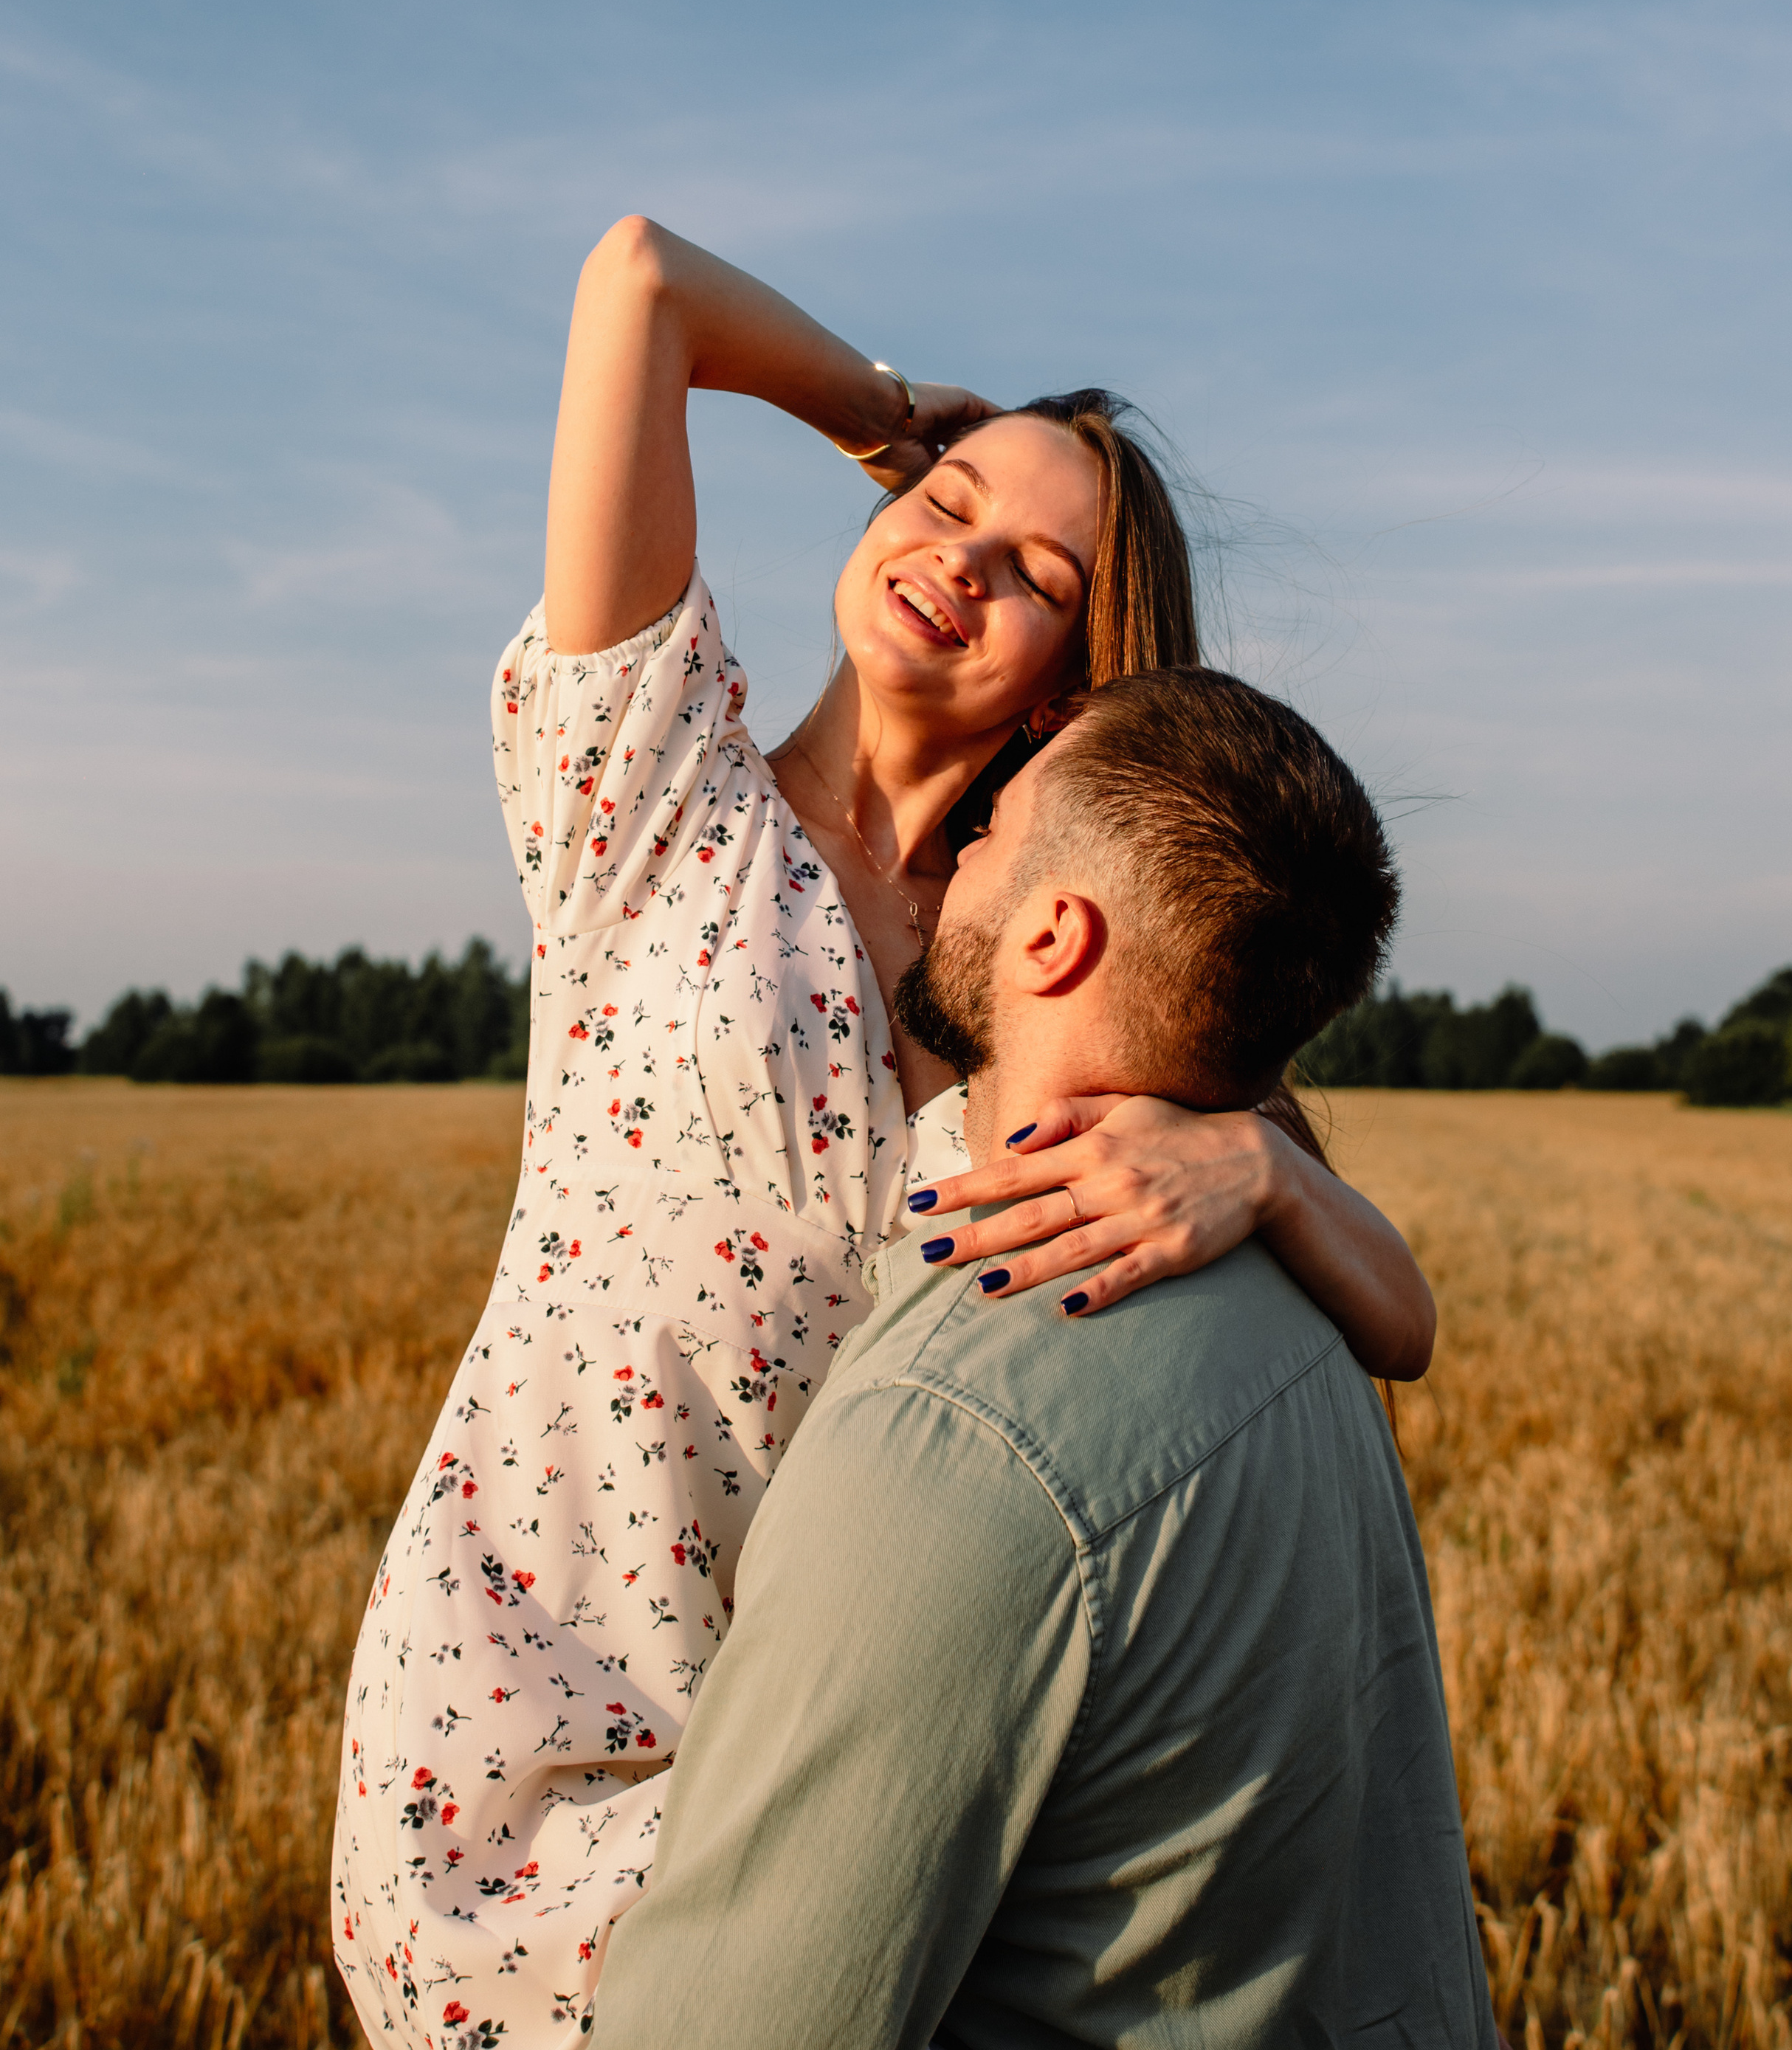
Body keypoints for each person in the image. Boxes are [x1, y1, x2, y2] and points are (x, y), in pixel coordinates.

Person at [331, 221, 1438, 2048]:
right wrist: (891, 417)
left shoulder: (1049, 972)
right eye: (948, 504)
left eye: (1033, 568)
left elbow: (1395, 1324)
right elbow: (638, 288)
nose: (959, 555)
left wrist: (1259, 1165)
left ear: (1074, 687)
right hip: (496, 1745)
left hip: (803, 1771)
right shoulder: (661, 798)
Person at [587, 666, 1498, 2050]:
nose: (960, 848)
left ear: (1054, 936)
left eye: (999, 829)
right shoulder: (1298, 1306)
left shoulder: (954, 1433)